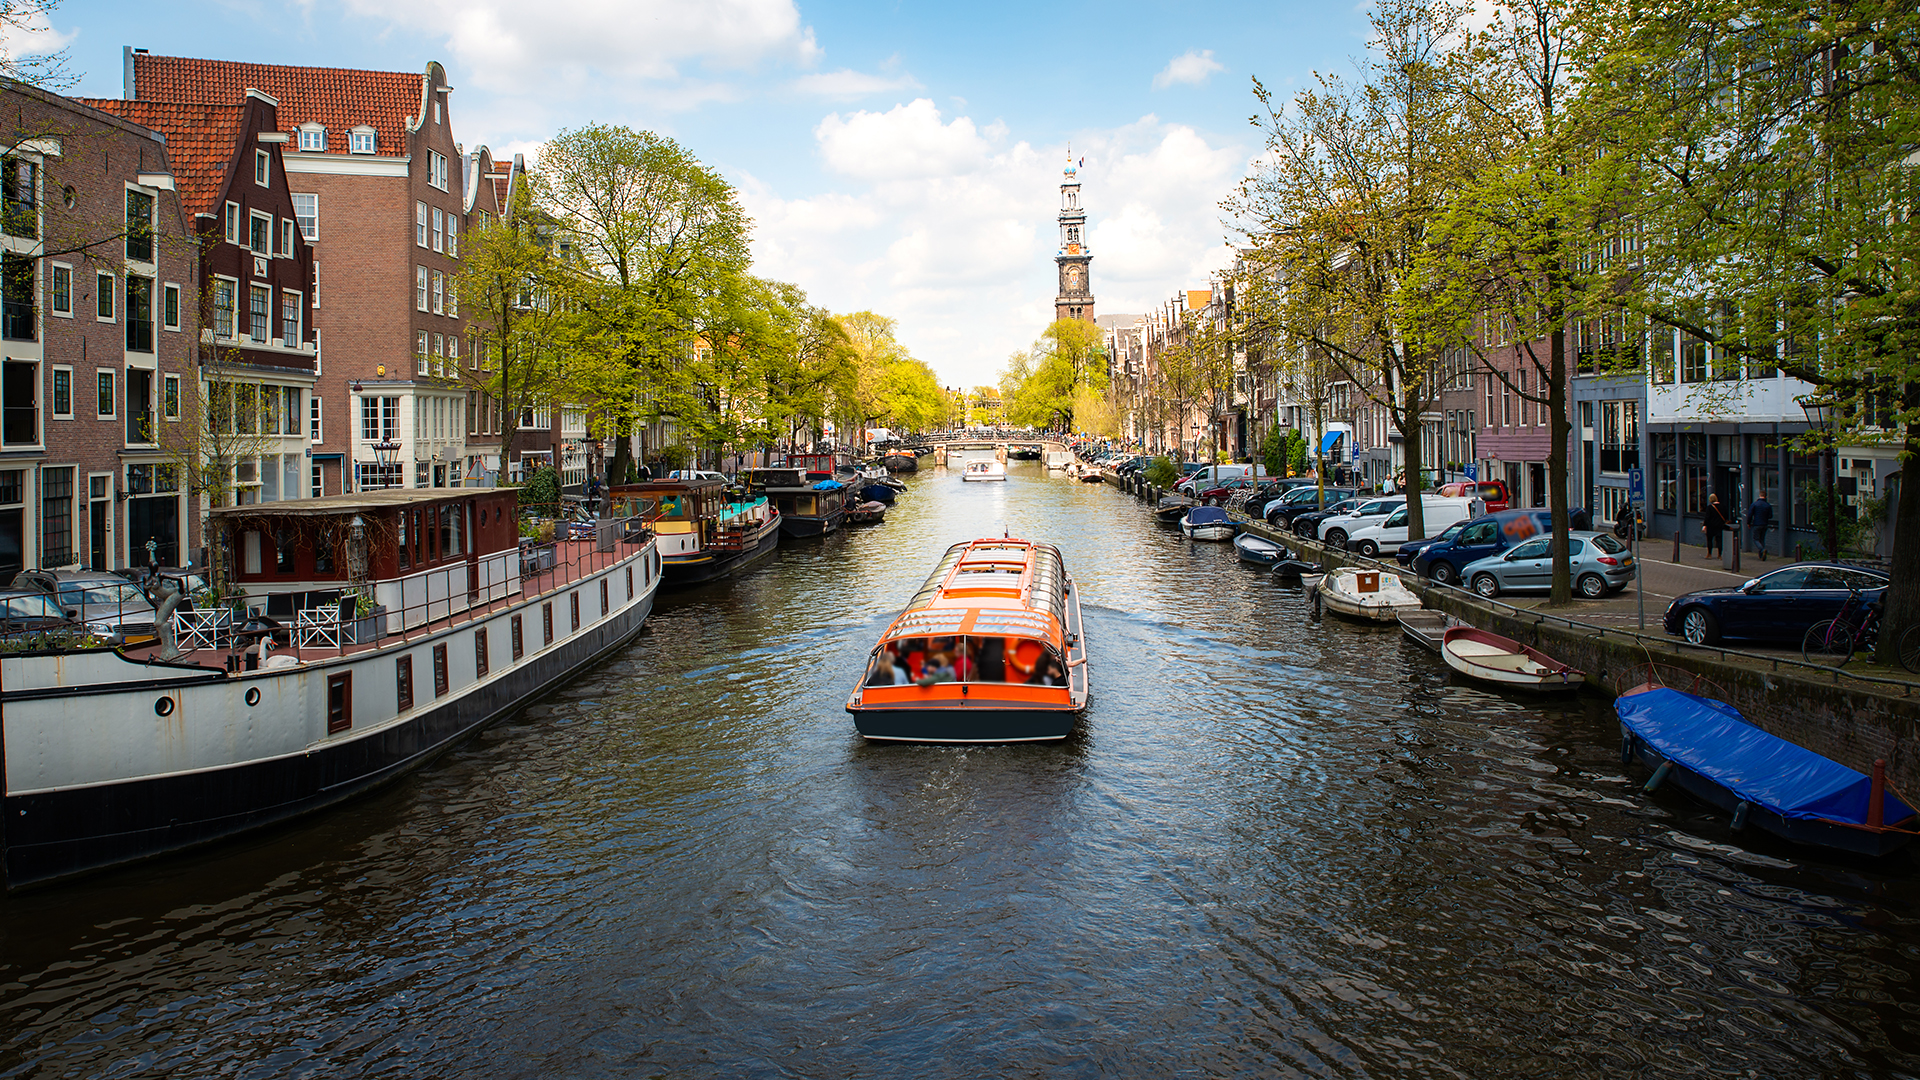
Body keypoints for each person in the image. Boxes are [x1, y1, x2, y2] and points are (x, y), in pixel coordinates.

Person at [1748, 493, 1773, 560]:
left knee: (1756, 539)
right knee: (1762, 539)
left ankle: (1762, 550)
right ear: (1766, 496)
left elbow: (1750, 514)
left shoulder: (1755, 504)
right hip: (1765, 524)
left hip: (1756, 523)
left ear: (1759, 495)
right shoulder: (1768, 505)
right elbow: (1770, 516)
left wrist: (1748, 523)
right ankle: (1761, 556)